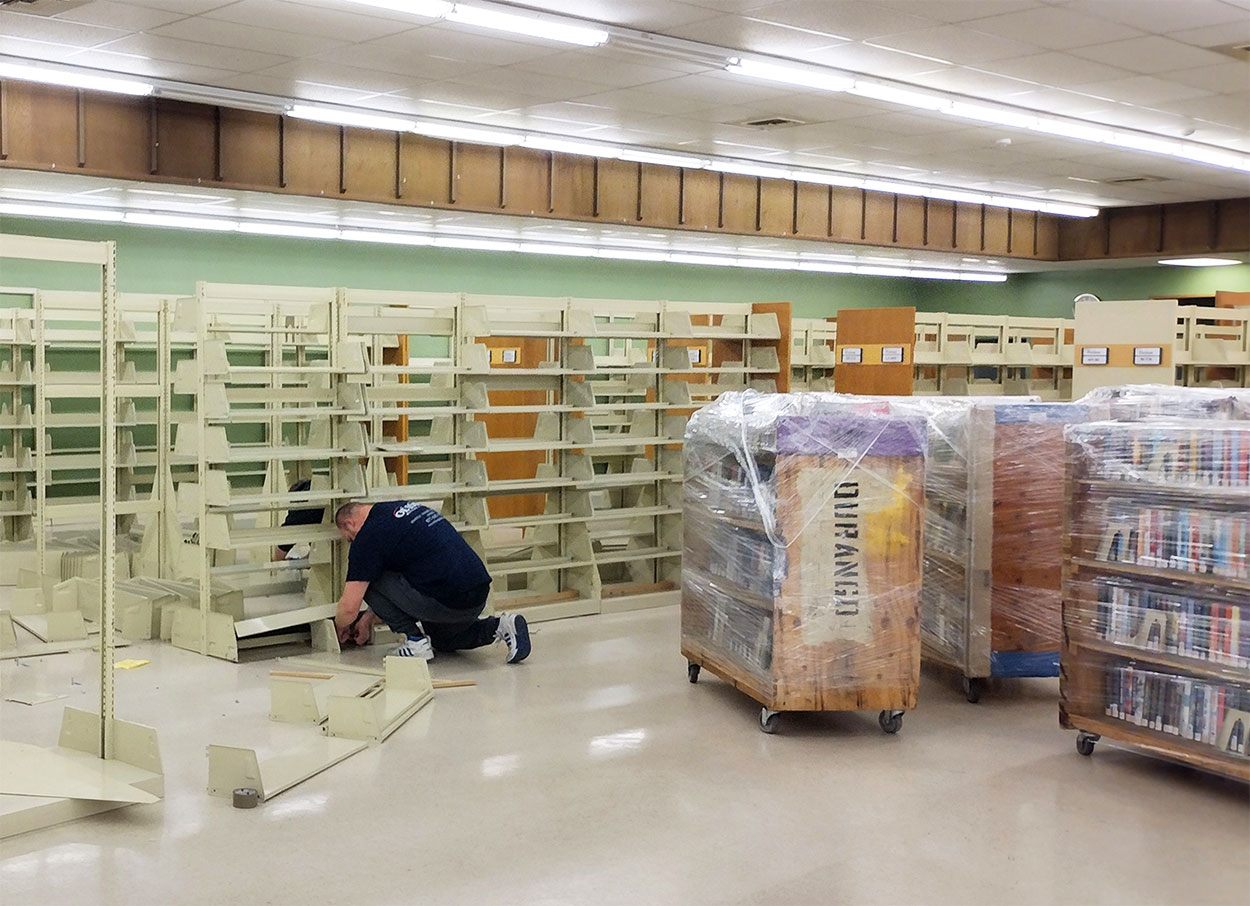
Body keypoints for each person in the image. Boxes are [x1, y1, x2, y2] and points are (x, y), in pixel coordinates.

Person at [332, 500, 530, 664]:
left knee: (365, 577)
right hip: (476, 594)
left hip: (445, 599)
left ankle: (415, 641)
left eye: (348, 539)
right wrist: (368, 619)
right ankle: (501, 625)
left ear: (349, 524)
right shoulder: (398, 510)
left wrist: (341, 625)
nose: (351, 542)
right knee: (444, 640)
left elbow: (350, 608)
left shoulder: (367, 537)